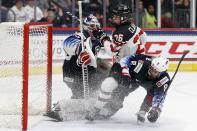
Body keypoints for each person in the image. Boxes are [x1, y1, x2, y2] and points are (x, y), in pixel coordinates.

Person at [44, 4, 147, 121]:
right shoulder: (79, 36)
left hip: (88, 73)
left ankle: (88, 104)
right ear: (87, 27)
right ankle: (63, 107)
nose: (96, 28)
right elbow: (68, 43)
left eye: (97, 26)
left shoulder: (96, 41)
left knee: (104, 76)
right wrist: (80, 52)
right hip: (73, 74)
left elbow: (109, 49)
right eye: (93, 26)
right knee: (95, 99)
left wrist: (103, 38)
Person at [85, 54, 170, 123]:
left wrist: (156, 111)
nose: (152, 72)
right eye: (152, 69)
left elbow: (159, 97)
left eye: (156, 72)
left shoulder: (163, 80)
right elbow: (124, 60)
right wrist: (125, 73)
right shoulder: (142, 62)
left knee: (110, 109)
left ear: (162, 72)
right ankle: (96, 107)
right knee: (108, 83)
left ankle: (142, 111)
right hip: (127, 76)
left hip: (132, 84)